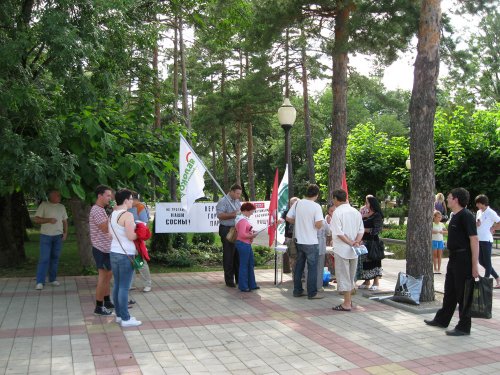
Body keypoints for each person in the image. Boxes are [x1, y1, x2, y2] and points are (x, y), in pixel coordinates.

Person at [424, 188, 479, 336]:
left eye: (449, 197)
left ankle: (464, 326)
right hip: (454, 258)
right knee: (450, 291)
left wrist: (475, 265)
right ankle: (442, 320)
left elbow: (474, 240)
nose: (446, 200)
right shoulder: (455, 215)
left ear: (456, 199)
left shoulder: (466, 216)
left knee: (463, 294)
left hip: (464, 259)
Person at [109, 189, 142, 327]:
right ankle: (126, 319)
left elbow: (110, 235)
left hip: (114, 252)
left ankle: (119, 315)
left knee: (117, 285)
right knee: (124, 287)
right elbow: (130, 236)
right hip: (125, 254)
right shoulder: (127, 215)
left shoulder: (112, 214)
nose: (132, 201)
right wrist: (140, 232)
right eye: (130, 198)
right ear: (125, 200)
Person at [286, 184, 324, 300]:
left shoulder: (298, 203)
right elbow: (318, 224)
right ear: (316, 195)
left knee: (299, 266)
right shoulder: (316, 206)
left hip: (298, 240)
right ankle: (312, 293)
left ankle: (297, 290)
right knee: (312, 268)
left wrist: (299, 222)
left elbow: (288, 218)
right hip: (311, 241)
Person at [330, 189, 364, 311]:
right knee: (351, 276)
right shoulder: (356, 212)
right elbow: (361, 230)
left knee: (344, 276)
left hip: (342, 249)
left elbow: (338, 232)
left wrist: (351, 242)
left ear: (335, 199)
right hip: (354, 249)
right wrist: (356, 242)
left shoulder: (337, 213)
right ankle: (349, 301)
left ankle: (347, 303)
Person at [34, 189, 68, 290]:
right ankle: (40, 282)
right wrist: (48, 220)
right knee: (44, 258)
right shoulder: (44, 205)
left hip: (58, 236)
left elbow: (65, 221)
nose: (59, 197)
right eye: (57, 195)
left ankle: (53, 279)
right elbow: (36, 219)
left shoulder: (61, 207)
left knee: (55, 258)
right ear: (51, 196)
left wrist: (65, 233)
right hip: (46, 236)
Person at [89, 185, 115, 315]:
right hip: (101, 249)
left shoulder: (101, 209)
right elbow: (105, 228)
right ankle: (99, 307)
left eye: (110, 196)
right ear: (100, 196)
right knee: (103, 277)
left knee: (108, 276)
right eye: (108, 195)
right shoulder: (97, 210)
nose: (110, 198)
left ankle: (107, 300)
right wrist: (115, 213)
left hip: (106, 248)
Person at [216, 184, 242, 287]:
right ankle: (229, 280)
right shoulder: (223, 201)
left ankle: (239, 279)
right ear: (231, 191)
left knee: (237, 255)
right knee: (229, 255)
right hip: (226, 230)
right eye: (237, 193)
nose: (238, 195)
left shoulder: (237, 201)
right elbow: (220, 215)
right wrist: (233, 214)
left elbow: (239, 213)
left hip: (236, 229)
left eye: (240, 194)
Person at [358, 196, 384, 290]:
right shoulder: (366, 214)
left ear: (372, 203)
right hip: (364, 242)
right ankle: (366, 280)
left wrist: (365, 230)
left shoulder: (377, 215)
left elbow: (377, 230)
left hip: (373, 242)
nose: (366, 205)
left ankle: (376, 282)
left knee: (374, 261)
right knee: (365, 262)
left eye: (367, 202)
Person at [128, 191, 153, 292]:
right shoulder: (127, 207)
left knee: (141, 262)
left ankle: (147, 284)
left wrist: (134, 226)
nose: (128, 201)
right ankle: (130, 284)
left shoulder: (140, 207)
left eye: (129, 199)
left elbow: (144, 224)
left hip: (138, 239)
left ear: (134, 199)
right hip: (129, 238)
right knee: (130, 262)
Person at [475, 194, 500, 289]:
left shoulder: (491, 212)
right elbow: (478, 224)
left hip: (487, 240)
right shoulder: (478, 212)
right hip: (479, 239)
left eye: (478, 203)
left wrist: (494, 228)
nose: (476, 205)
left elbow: (499, 221)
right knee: (481, 261)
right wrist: (476, 224)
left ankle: (485, 282)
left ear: (483, 203)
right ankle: (497, 278)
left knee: (487, 262)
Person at [235, 202, 259, 292]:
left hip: (245, 243)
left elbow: (244, 232)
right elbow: (241, 234)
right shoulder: (242, 220)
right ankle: (244, 286)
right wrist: (252, 235)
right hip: (243, 243)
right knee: (244, 265)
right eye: (251, 211)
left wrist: (252, 233)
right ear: (246, 210)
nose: (252, 213)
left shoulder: (242, 219)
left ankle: (251, 284)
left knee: (249, 264)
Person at [281, 197, 300, 274]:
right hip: (289, 237)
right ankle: (294, 274)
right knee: (292, 256)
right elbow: (282, 219)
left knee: (300, 257)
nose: (292, 205)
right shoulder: (286, 212)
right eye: (291, 203)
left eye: (295, 203)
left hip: (299, 237)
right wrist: (279, 220)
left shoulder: (301, 213)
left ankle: (300, 274)